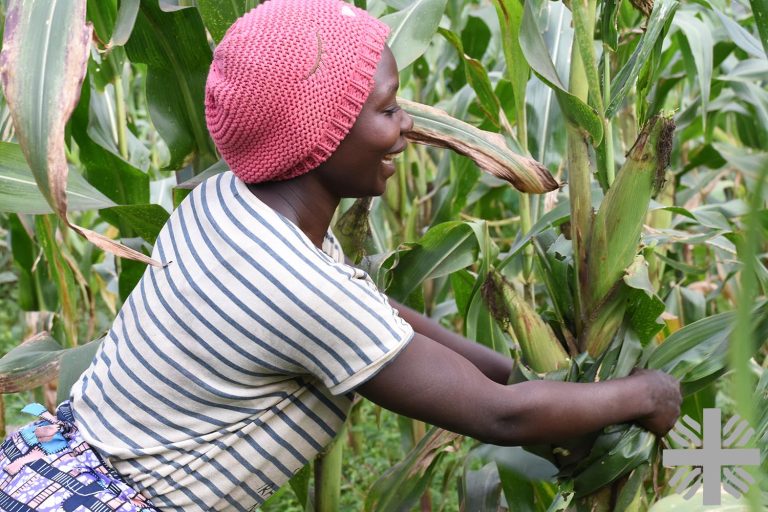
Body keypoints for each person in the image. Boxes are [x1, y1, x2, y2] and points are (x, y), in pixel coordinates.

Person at [0, 0, 681, 510]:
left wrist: (516, 372)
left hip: (44, 468)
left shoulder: (226, 203)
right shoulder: (294, 286)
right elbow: (497, 417)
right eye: (386, 110)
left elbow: (372, 311)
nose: (407, 127)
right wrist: (644, 394)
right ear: (317, 137)